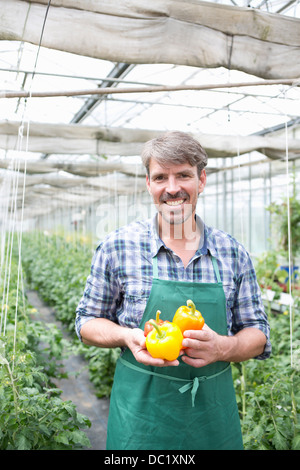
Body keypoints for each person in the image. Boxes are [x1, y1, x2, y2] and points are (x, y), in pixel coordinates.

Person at [75, 130, 271, 450]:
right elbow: (86, 322)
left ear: (202, 180)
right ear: (148, 184)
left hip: (212, 424)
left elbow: (258, 333)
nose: (172, 188)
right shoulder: (117, 247)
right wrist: (127, 336)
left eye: (183, 175)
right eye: (160, 177)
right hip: (140, 425)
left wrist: (222, 347)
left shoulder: (233, 253)